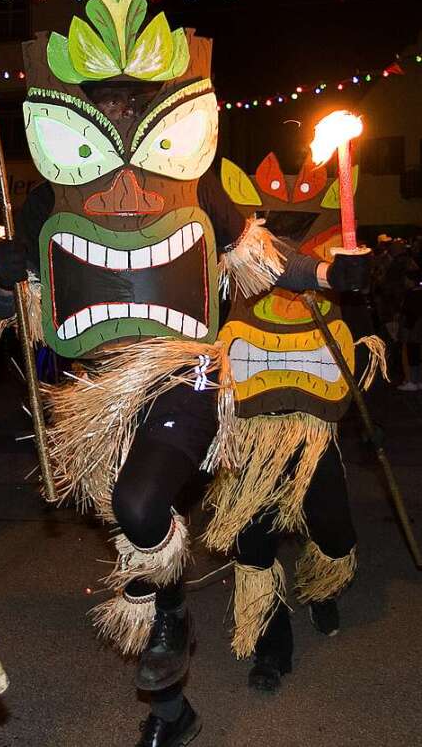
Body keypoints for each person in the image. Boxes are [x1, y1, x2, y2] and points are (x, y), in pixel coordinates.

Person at [0, 0, 371, 743]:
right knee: (133, 537)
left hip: (185, 374)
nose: (117, 126)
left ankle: (174, 615)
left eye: (129, 109)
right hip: (98, 394)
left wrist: (329, 275)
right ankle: (171, 710)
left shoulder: (197, 188)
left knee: (144, 507)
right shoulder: (51, 198)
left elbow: (261, 261)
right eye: (103, 112)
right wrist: (4, 277)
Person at [203, 153, 384, 693]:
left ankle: (321, 585)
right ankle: (269, 643)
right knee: (253, 543)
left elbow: (358, 341)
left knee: (331, 527)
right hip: (251, 429)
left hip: (312, 426)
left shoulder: (330, 257)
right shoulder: (232, 257)